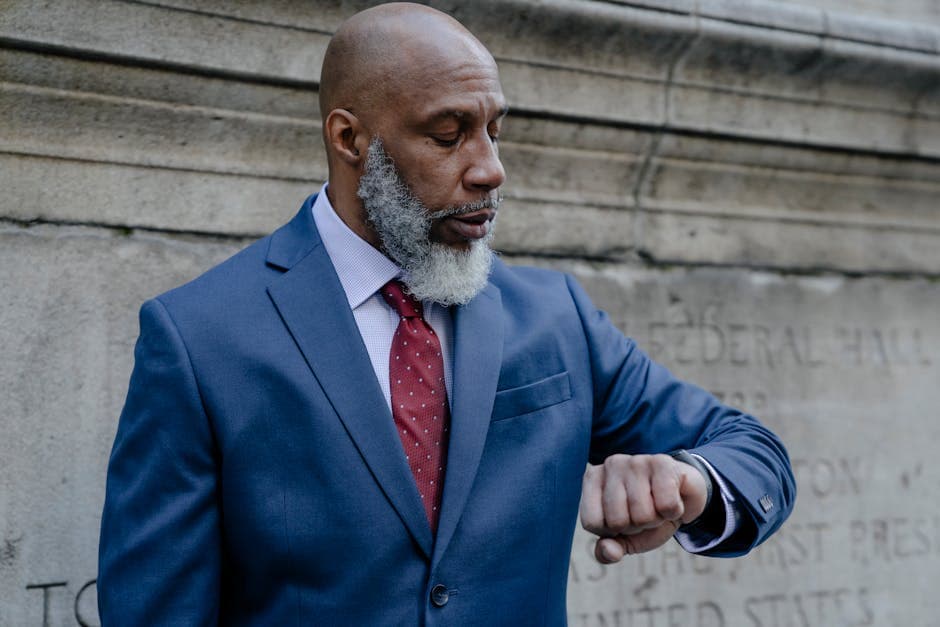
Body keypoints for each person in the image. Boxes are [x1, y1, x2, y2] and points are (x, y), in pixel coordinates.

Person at [98, 3, 795, 625]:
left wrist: (689, 481)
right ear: (350, 139)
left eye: (494, 129)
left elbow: (753, 451)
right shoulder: (198, 337)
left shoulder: (557, 317)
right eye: (449, 133)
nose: (490, 167)